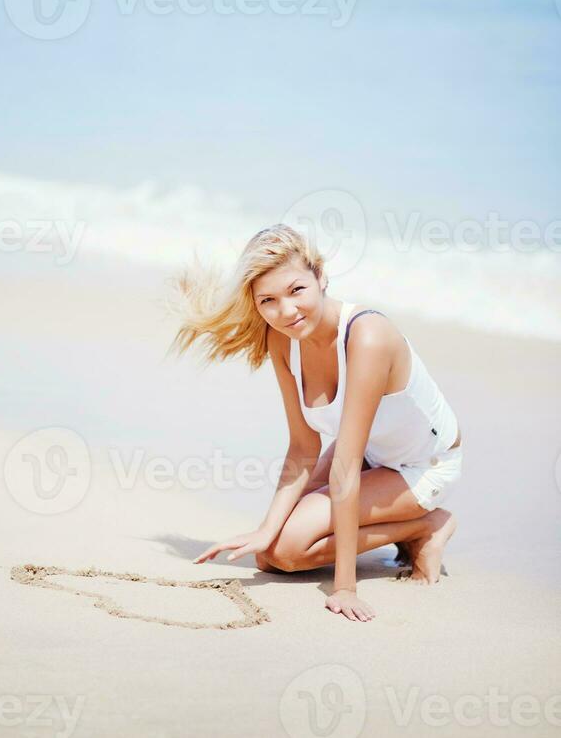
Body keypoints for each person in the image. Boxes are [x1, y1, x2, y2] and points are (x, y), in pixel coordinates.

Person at [167, 224, 462, 622]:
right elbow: (304, 447)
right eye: (268, 300)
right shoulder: (281, 340)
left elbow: (344, 468)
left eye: (296, 291)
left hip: (424, 465)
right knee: (270, 555)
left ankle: (425, 525)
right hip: (369, 454)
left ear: (321, 277)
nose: (285, 311)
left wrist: (344, 587)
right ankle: (403, 526)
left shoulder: (368, 336)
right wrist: (264, 529)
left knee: (290, 551)